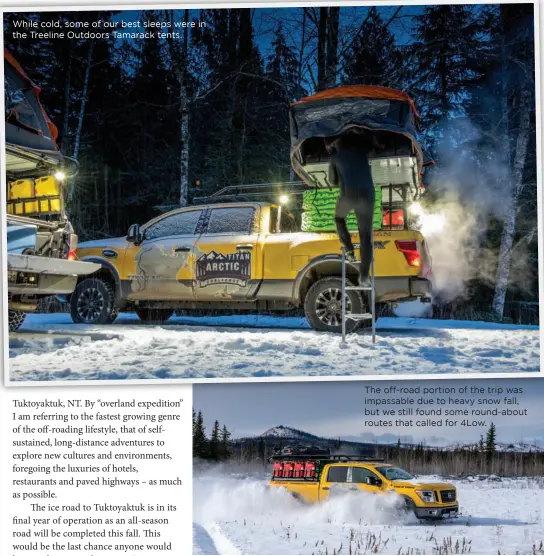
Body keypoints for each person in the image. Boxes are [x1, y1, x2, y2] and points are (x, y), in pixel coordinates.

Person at [326, 128, 376, 287]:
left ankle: (348, 248)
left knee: (339, 218)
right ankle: (364, 276)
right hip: (367, 195)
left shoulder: (335, 156)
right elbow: (375, 147)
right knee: (365, 236)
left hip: (349, 195)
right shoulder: (362, 149)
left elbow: (333, 181)